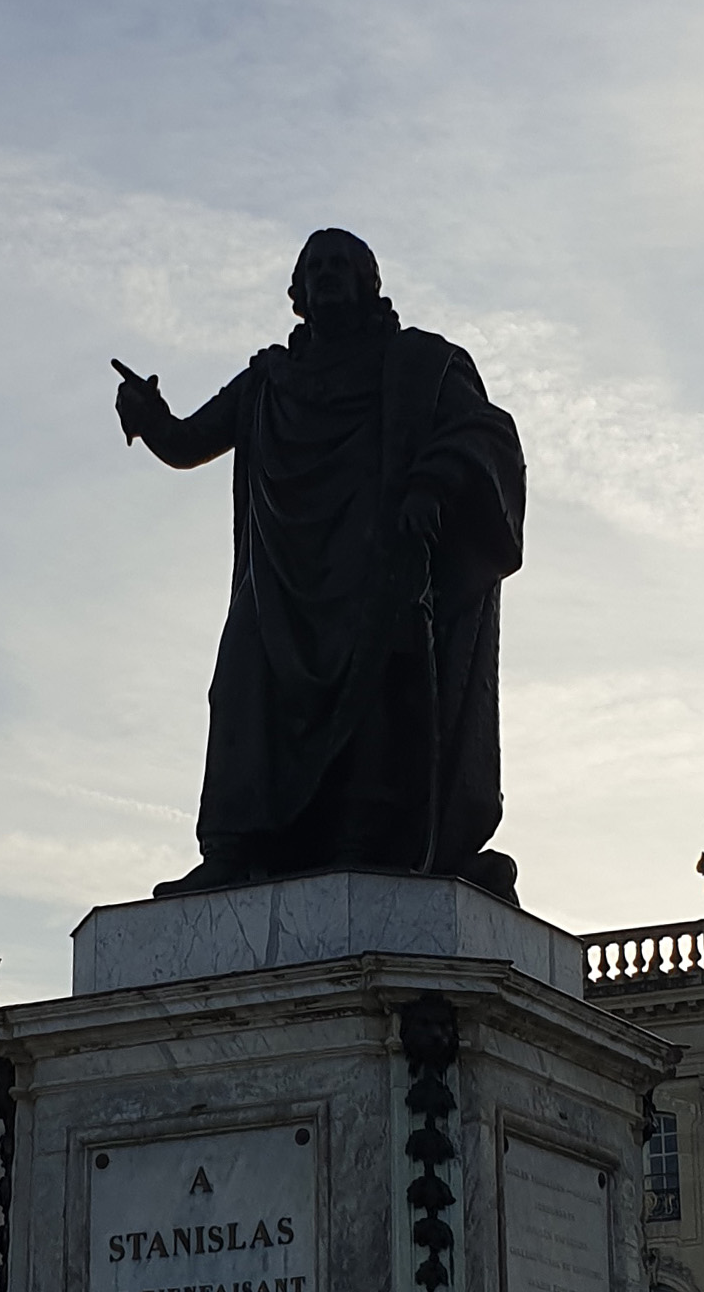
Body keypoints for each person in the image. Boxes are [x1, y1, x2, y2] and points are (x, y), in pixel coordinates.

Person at [113, 230, 527, 896]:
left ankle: (360, 840)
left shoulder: (420, 361)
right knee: (240, 687)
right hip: (280, 574)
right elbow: (190, 440)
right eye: (316, 267)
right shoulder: (269, 380)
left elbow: (486, 431)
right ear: (297, 294)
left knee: (375, 698)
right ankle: (229, 846)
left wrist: (430, 483)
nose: (328, 275)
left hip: (376, 563)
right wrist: (150, 416)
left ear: (371, 283)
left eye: (343, 265)